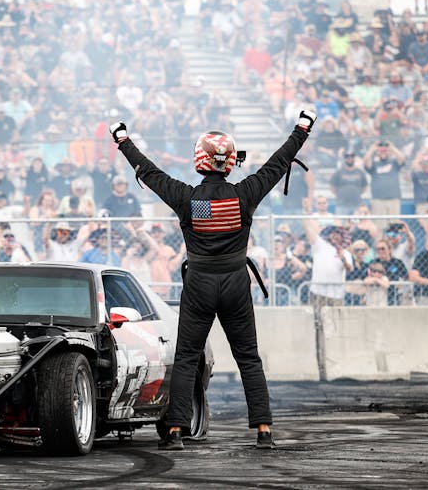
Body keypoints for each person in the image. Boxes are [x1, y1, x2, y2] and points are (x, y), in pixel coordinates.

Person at [111, 109, 317, 450]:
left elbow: (148, 171)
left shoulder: (186, 198)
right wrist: (302, 129)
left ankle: (175, 430)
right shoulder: (246, 193)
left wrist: (123, 140)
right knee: (248, 356)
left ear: (199, 161)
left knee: (187, 357)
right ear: (231, 162)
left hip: (199, 284)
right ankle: (264, 430)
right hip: (236, 281)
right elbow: (279, 162)